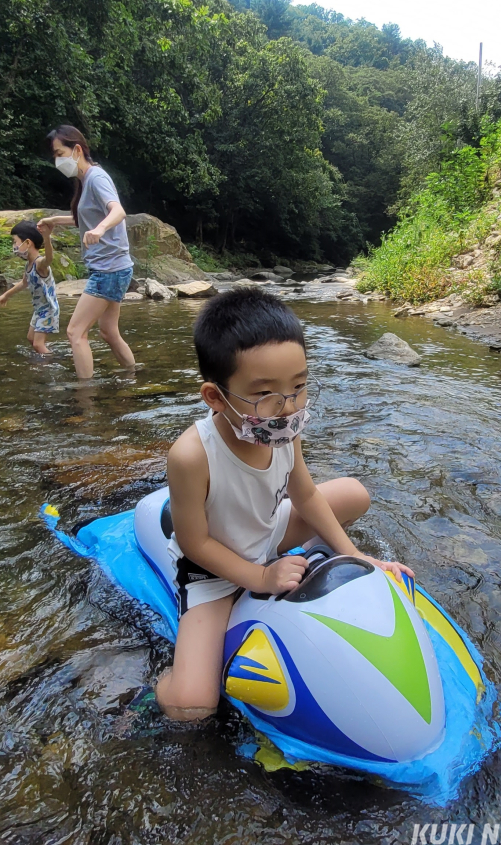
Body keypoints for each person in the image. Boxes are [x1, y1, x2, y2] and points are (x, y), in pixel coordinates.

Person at [156, 288, 414, 722]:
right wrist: (260, 576)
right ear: (216, 397)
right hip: (213, 570)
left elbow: (306, 494)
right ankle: (158, 683)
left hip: (267, 531)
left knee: (355, 493)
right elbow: (195, 543)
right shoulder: (191, 455)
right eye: (265, 395)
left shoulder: (282, 428)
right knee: (192, 705)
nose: (288, 407)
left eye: (298, 387)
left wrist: (353, 555)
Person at [37, 125, 136, 379]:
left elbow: (118, 211)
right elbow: (88, 219)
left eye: (60, 153)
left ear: (77, 149)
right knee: (109, 333)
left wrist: (101, 229)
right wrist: (56, 221)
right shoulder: (85, 182)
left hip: (108, 270)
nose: (57, 161)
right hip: (114, 267)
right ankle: (133, 376)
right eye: (55, 156)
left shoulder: (96, 178)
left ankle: (85, 399)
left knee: (75, 332)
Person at [0, 221, 59, 354]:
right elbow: (24, 283)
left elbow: (49, 259)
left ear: (27, 243)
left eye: (15, 242)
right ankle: (46, 355)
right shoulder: (29, 265)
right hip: (39, 309)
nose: (14, 246)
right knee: (30, 338)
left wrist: (47, 238)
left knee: (38, 345)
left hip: (48, 309)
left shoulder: (39, 263)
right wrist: (6, 295)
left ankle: (52, 363)